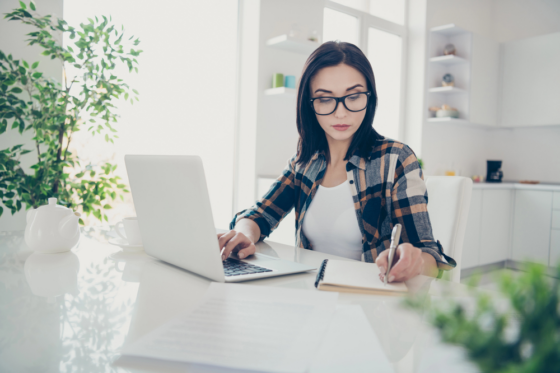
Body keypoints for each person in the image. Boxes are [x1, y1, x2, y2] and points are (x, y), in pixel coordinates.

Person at [218, 41, 456, 282]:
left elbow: (429, 258)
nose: (340, 113)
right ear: (309, 105)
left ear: (369, 97)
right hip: (312, 298)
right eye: (324, 99)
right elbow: (259, 215)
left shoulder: (395, 159)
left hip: (372, 305)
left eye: (353, 96)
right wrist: (244, 234)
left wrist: (414, 260)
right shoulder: (304, 163)